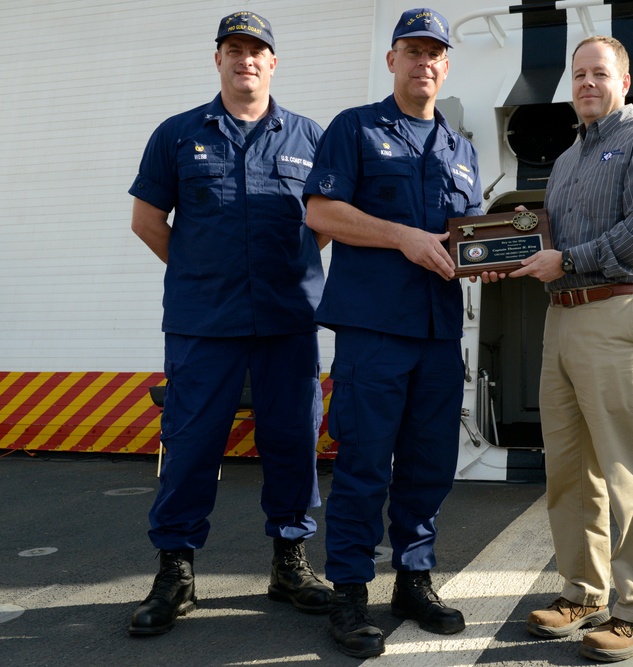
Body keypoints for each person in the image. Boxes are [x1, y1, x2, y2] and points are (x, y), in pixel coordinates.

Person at [127, 11, 333, 637]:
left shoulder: (310, 137)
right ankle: (175, 571)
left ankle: (289, 563)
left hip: (286, 321)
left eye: (258, 51)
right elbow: (146, 221)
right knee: (189, 446)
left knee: (293, 443)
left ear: (274, 63)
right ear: (216, 58)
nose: (246, 59)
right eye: (234, 49)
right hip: (202, 325)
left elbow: (326, 221)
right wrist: (199, 271)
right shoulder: (177, 134)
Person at [484, 35, 633, 662]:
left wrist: (566, 259)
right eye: (578, 75)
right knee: (569, 468)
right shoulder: (568, 160)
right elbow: (540, 241)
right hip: (564, 319)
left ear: (625, 81)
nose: (588, 84)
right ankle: (583, 590)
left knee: (625, 467)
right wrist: (499, 257)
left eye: (600, 73)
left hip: (619, 312)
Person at [302, 7, 482, 659]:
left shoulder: (463, 150)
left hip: (438, 333)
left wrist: (494, 258)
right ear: (393, 61)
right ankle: (350, 590)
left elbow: (467, 239)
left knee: (430, 465)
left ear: (446, 65)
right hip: (374, 329)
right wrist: (400, 236)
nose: (424, 62)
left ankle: (414, 577)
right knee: (364, 463)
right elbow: (321, 210)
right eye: (412, 50)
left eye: (435, 52)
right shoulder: (356, 129)